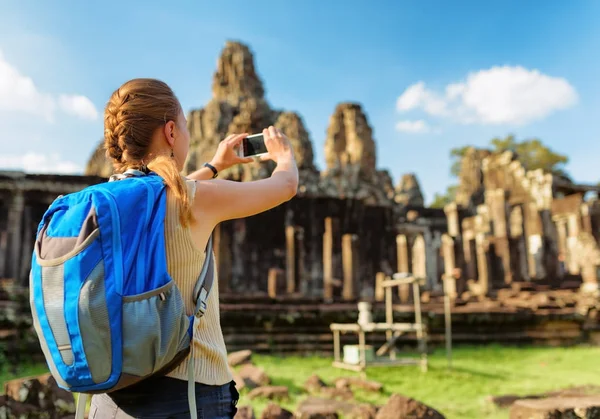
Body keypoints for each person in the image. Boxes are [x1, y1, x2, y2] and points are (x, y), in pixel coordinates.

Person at [89, 78, 299, 418]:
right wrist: (284, 155)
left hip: (108, 394)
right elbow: (286, 185)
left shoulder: (101, 204)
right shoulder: (194, 201)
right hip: (186, 392)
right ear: (171, 132)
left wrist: (216, 165)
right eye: (185, 127)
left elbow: (163, 190)